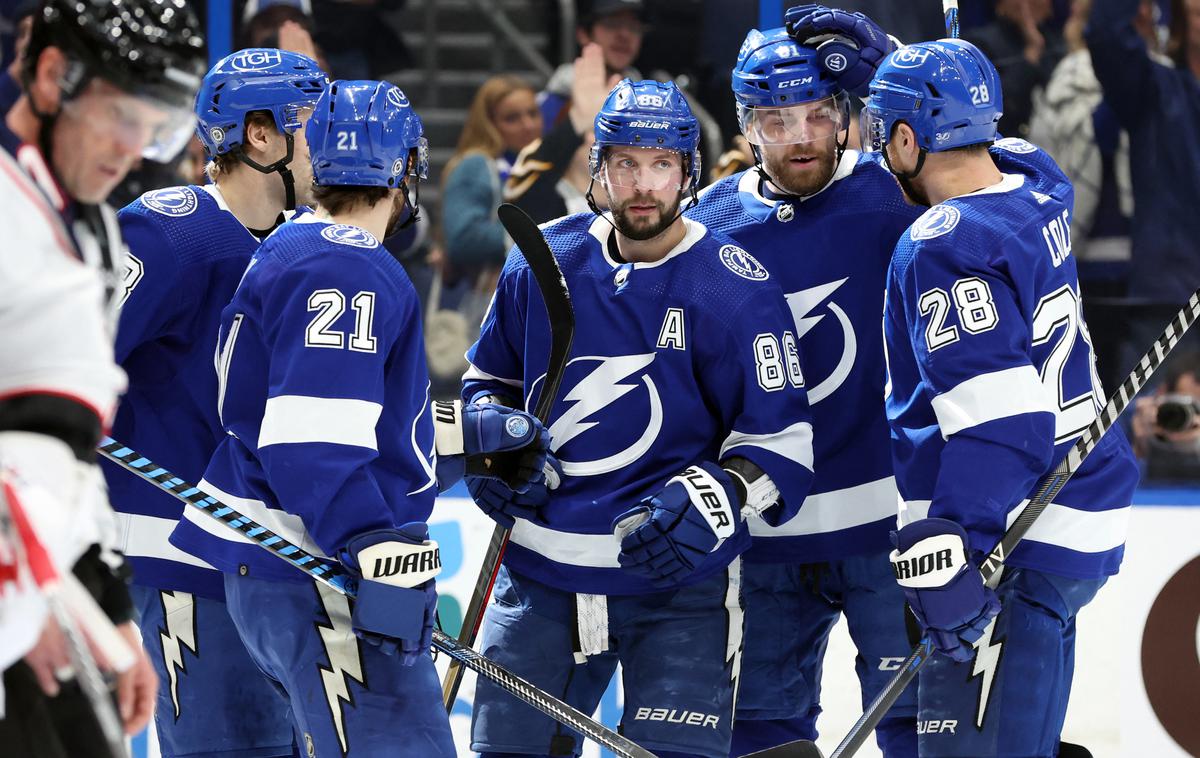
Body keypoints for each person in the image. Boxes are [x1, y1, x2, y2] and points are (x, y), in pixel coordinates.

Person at [166, 78, 551, 757]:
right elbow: (312, 440)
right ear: (407, 168)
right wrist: (372, 543)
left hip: (278, 569)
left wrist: (469, 436)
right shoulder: (349, 269)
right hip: (321, 574)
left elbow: (346, 415)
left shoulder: (296, 245)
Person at [464, 78, 815, 758]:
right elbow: (489, 382)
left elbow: (785, 443)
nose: (643, 184)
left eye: (661, 165)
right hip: (539, 577)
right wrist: (488, 436)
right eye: (625, 164)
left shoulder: (736, 287)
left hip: (678, 588)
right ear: (599, 171)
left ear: (688, 174)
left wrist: (728, 491)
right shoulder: (544, 260)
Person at [864, 38, 1140, 757]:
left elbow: (1002, 422)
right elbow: (999, 145)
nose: (871, 151)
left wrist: (960, 549)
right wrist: (904, 63)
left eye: (880, 134)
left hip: (1017, 534)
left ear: (905, 138)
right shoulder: (1039, 186)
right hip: (1079, 511)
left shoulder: (940, 245)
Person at [685, 12, 921, 756]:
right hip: (765, 533)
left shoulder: (898, 194)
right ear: (745, 125)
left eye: (819, 113)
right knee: (761, 736)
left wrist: (898, 70)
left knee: (921, 728)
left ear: (847, 114)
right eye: (777, 118)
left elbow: (1009, 180)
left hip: (892, 527)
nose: (801, 135)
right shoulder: (707, 224)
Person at [100, 48, 329, 758]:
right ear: (260, 135)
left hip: (267, 562)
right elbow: (72, 365)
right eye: (311, 125)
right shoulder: (175, 233)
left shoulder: (301, 243)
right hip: (183, 566)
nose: (330, 145)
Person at [0, 0, 205, 754]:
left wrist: (110, 613)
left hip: (40, 594)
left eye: (156, 125)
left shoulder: (96, 223)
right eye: (121, 114)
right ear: (53, 77)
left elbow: (69, 461)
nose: (134, 148)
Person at [1088, 0, 1200, 386]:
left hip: (1165, 293)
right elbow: (1106, 36)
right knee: (1142, 434)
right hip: (1167, 307)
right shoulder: (1156, 92)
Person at [505, 42, 619, 224]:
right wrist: (576, 123)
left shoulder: (635, 208)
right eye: (594, 131)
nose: (602, 143)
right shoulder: (549, 203)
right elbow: (522, 188)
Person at [539, 0, 645, 132]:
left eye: (634, 28)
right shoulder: (554, 102)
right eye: (611, 24)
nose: (625, 35)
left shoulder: (651, 101)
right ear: (583, 34)